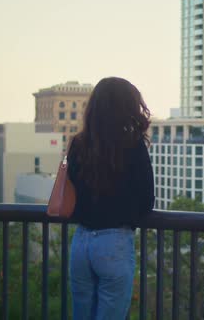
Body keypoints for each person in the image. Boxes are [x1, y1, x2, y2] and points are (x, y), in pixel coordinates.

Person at [67, 77, 154, 319]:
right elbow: (147, 200)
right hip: (114, 241)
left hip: (81, 242)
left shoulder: (79, 144)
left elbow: (73, 193)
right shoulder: (133, 146)